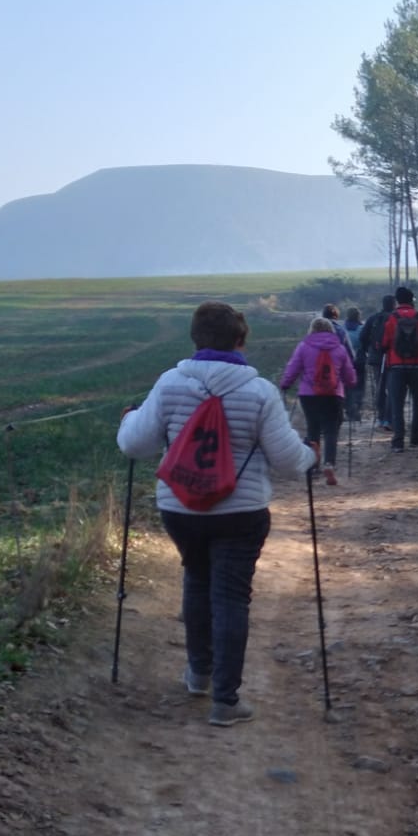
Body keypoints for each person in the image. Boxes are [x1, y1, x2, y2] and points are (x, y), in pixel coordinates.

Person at [118, 301, 316, 727]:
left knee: (196, 577)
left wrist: (129, 419)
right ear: (241, 340)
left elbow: (135, 445)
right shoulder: (260, 390)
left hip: (180, 508)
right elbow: (286, 460)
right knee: (230, 596)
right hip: (240, 510)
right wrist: (310, 457)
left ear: (194, 340)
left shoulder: (171, 383)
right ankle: (226, 701)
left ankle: (198, 673)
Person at [278, 316, 357, 484]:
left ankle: (313, 466)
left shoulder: (304, 346)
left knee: (313, 429)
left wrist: (285, 384)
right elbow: (349, 375)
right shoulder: (339, 348)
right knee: (330, 430)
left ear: (312, 330)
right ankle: (329, 463)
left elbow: (293, 367)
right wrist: (351, 384)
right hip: (334, 394)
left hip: (309, 395)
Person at [383, 286, 418, 449]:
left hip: (396, 366)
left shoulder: (392, 318)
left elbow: (383, 344)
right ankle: (416, 439)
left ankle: (398, 442)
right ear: (412, 300)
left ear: (397, 300)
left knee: (397, 404)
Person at [362, 295, 396, 431]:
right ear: (394, 304)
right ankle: (389, 418)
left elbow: (362, 337)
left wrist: (368, 351)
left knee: (380, 388)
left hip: (376, 358)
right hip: (393, 358)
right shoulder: (396, 318)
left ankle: (381, 418)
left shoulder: (373, 318)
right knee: (392, 388)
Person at [341, 306, 367, 423]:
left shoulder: (342, 329)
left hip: (345, 361)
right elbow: (366, 343)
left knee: (347, 385)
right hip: (359, 361)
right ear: (358, 316)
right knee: (359, 385)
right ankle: (357, 408)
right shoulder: (362, 328)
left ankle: (348, 409)